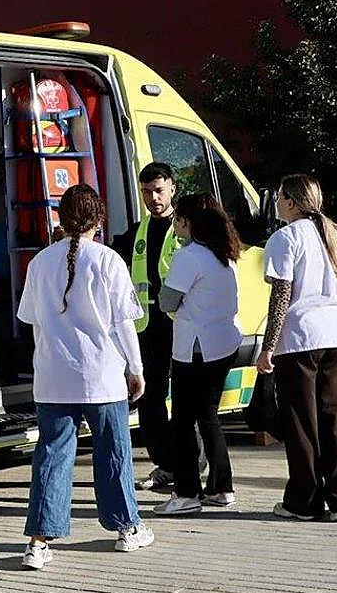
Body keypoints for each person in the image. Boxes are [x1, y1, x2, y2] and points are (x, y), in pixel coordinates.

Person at [18, 184, 155, 569]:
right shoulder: (109, 260)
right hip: (102, 374)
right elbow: (124, 324)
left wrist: (42, 363)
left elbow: (35, 325)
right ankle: (127, 528)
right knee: (112, 452)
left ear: (60, 219)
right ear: (99, 219)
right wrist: (136, 368)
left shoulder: (39, 262)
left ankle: (39, 542)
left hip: (52, 375)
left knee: (51, 456)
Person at [257, 174, 337, 522]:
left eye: (280, 196)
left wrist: (267, 346)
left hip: (300, 340)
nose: (277, 202)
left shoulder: (284, 238)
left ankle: (303, 501)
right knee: (333, 421)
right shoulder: (332, 237)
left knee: (301, 423)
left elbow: (282, 295)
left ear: (291, 202)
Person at [154, 194, 243, 515]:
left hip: (195, 349)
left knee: (182, 421)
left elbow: (166, 301)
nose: (175, 224)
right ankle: (221, 486)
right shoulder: (224, 255)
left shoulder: (188, 256)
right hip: (223, 344)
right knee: (208, 418)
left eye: (178, 219)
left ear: (190, 223)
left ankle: (187, 492)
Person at [119, 162, 185, 492]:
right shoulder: (137, 233)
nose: (153, 198)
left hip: (183, 327)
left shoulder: (186, 230)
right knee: (150, 398)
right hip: (148, 328)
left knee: (187, 400)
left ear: (173, 188)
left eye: (159, 190)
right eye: (146, 192)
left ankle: (189, 462)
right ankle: (165, 465)